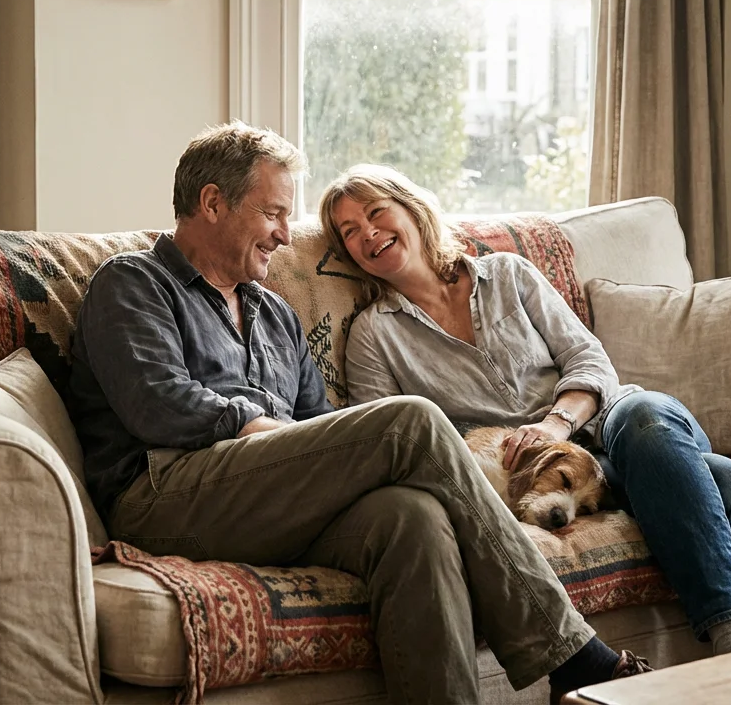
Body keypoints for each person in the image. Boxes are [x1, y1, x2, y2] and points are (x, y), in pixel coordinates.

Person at [66, 122, 650, 705]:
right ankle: (574, 655)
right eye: (272, 214)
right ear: (212, 202)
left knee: (412, 516)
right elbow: (158, 403)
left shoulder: (273, 315)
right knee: (410, 422)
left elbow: (316, 421)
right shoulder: (134, 282)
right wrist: (271, 435)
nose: (282, 237)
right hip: (165, 495)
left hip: (270, 501)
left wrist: (299, 451)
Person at [318, 163, 731, 660]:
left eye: (376, 213)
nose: (368, 234)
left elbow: (588, 358)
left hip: (611, 423)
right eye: (350, 231)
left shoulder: (506, 273)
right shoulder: (374, 335)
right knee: (724, 481)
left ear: (412, 210)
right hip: (555, 473)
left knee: (647, 423)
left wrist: (555, 423)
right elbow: (386, 437)